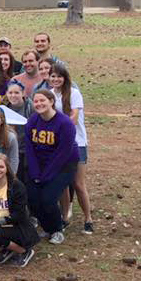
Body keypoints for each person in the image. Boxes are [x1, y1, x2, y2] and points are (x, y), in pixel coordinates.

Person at [25, 89, 79, 245]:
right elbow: (30, 150)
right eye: (36, 101)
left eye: (43, 100)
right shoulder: (33, 121)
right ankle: (47, 227)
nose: (39, 104)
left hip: (63, 166)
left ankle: (57, 229)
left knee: (48, 198)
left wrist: (46, 176)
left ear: (51, 101)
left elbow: (63, 153)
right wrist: (35, 174)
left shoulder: (65, 123)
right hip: (40, 166)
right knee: (34, 198)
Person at [48, 63, 93, 233]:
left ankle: (88, 218)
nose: (56, 79)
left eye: (59, 76)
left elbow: (73, 118)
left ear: (65, 78)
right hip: (57, 145)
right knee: (62, 184)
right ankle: (65, 216)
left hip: (77, 143)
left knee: (78, 183)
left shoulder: (74, 93)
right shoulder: (50, 95)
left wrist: (58, 127)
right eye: (53, 76)